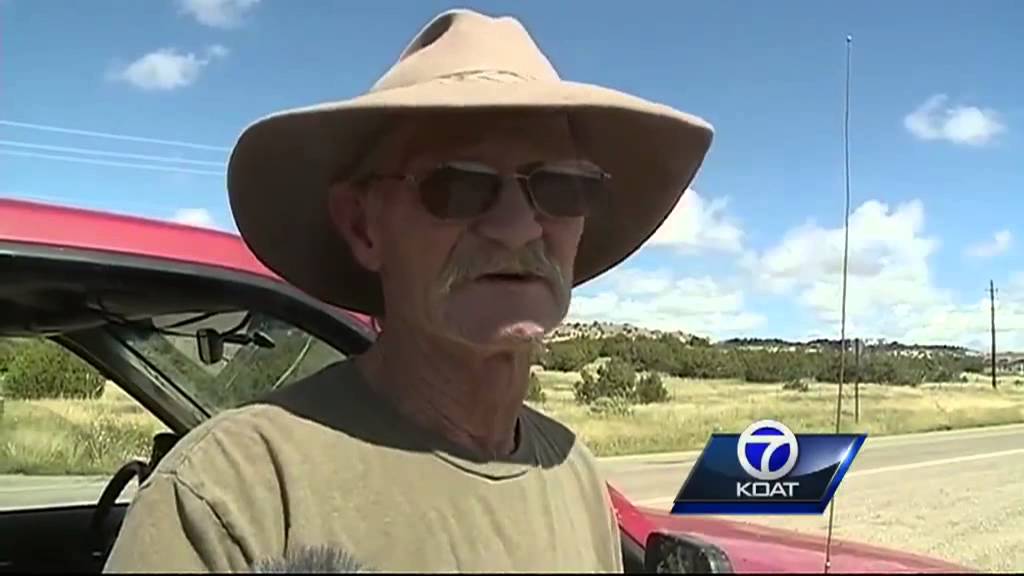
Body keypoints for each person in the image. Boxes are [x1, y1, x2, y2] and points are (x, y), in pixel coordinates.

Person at [103, 8, 712, 573]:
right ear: (364, 227)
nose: (519, 226)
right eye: (457, 187)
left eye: (560, 188)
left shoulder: (570, 470)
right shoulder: (237, 496)